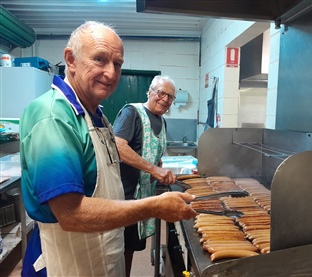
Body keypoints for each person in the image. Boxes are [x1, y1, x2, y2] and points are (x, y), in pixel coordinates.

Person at [20, 21, 197, 277]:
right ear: (71, 60)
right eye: (100, 60)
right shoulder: (53, 116)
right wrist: (153, 206)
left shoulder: (97, 115)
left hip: (101, 252)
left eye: (117, 64)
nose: (111, 74)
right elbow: (71, 214)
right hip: (67, 262)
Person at [113, 75, 177, 276]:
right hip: (125, 195)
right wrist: (154, 170)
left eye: (170, 97)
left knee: (131, 247)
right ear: (149, 92)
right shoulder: (132, 113)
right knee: (118, 250)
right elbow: (118, 146)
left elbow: (153, 153)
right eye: (161, 93)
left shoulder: (161, 122)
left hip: (143, 196)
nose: (165, 100)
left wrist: (158, 167)